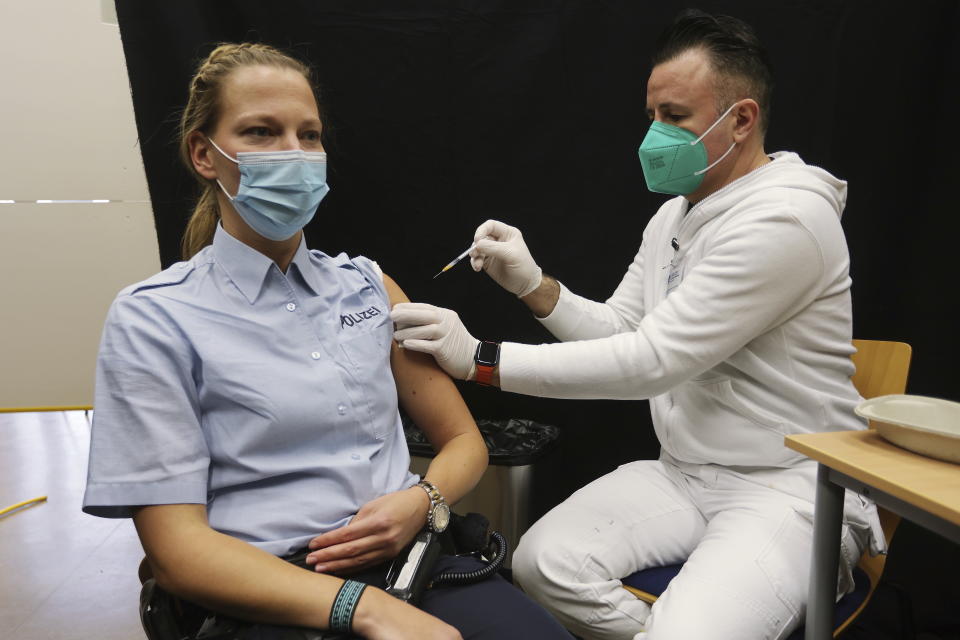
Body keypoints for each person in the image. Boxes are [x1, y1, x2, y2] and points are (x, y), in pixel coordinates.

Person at [390, 10, 885, 640]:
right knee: (544, 567)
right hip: (683, 471)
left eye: (675, 116)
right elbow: (621, 329)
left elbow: (652, 362)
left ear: (742, 119)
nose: (654, 134)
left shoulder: (785, 220)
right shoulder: (677, 215)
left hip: (786, 487)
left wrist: (481, 359)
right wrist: (534, 286)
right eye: (652, 115)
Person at [82, 43, 571, 640]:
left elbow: (463, 440)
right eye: (261, 132)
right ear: (202, 154)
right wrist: (370, 611)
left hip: (415, 560)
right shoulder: (154, 320)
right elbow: (176, 554)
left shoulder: (369, 287)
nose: (293, 153)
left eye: (308, 135)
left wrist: (422, 500)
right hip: (265, 587)